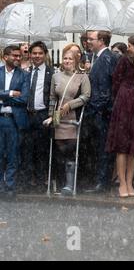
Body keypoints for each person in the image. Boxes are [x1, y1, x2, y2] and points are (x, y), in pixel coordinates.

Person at [105, 35, 134, 198]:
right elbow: (116, 80)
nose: (128, 48)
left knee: (133, 146)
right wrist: (120, 98)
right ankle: (122, 182)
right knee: (122, 145)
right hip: (124, 101)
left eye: (131, 45)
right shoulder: (124, 60)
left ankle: (129, 182)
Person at [43, 49, 91, 195]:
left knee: (70, 151)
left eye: (70, 59)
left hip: (72, 118)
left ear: (75, 61)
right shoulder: (56, 77)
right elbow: (52, 98)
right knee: (60, 152)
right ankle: (61, 182)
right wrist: (51, 116)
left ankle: (70, 184)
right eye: (65, 58)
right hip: (59, 119)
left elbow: (86, 96)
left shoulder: (82, 77)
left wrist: (70, 105)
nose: (67, 61)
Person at [84, 30, 119, 193]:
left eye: (91, 39)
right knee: (99, 148)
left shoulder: (106, 58)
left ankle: (102, 183)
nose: (88, 41)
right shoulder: (97, 57)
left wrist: (95, 109)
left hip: (102, 113)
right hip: (100, 112)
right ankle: (100, 180)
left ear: (102, 41)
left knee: (103, 149)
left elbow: (105, 90)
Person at [23, 41, 55, 189]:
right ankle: (29, 180)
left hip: (43, 115)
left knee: (42, 149)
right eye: (34, 53)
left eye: (40, 53)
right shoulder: (25, 72)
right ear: (30, 55)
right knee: (27, 148)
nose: (37, 56)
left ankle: (42, 180)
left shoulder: (52, 72)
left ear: (45, 55)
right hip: (27, 115)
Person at [0, 46, 29, 199]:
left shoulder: (24, 75)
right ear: (5, 57)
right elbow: (16, 96)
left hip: (14, 121)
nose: (18, 58)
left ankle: (10, 186)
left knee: (12, 155)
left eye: (19, 56)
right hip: (0, 119)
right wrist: (10, 93)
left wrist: (2, 99)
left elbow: (24, 98)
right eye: (15, 56)